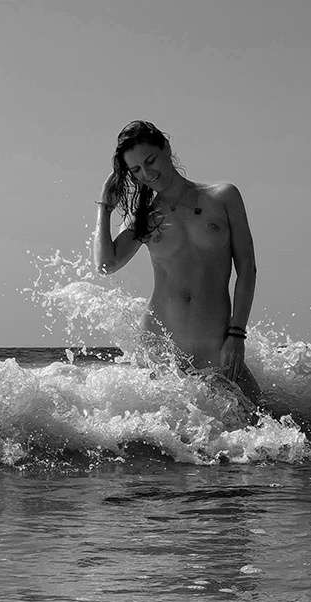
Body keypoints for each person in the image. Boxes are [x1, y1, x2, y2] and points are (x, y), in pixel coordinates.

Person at [93, 120, 262, 405]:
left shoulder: (223, 197)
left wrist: (237, 335)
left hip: (215, 345)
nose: (147, 174)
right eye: (136, 170)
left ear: (166, 148)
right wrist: (104, 208)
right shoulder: (144, 217)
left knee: (263, 419)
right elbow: (106, 265)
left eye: (150, 161)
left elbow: (247, 268)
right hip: (160, 349)